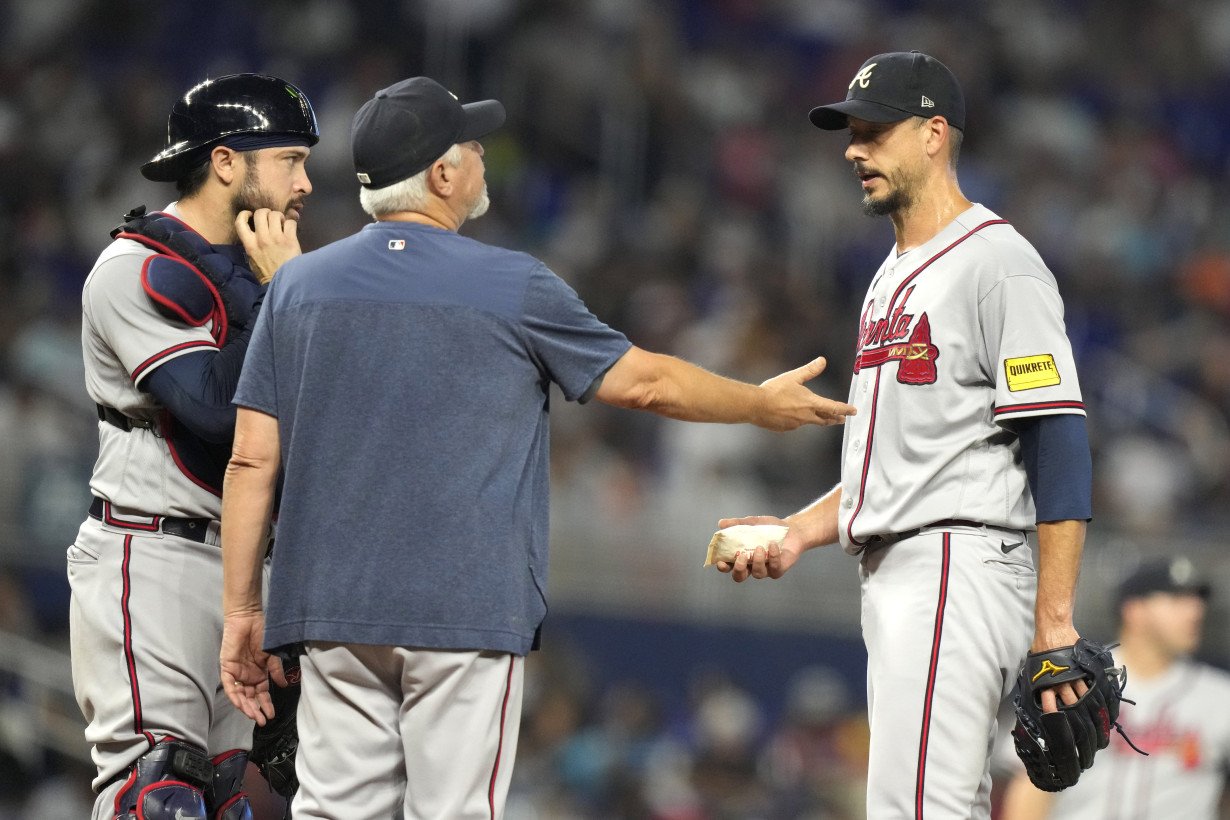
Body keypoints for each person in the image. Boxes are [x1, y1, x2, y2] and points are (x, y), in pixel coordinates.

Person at [217, 75, 856, 820]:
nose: (485, 156)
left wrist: (241, 612)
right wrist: (756, 403)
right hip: (462, 605)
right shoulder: (509, 283)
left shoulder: (297, 286)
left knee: (333, 810)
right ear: (443, 174)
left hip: (327, 606)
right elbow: (645, 385)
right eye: (472, 145)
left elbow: (251, 459)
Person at [715, 51, 1097, 818]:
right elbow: (895, 465)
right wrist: (797, 531)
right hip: (910, 562)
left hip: (955, 562)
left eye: (875, 132)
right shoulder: (893, 273)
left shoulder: (997, 263)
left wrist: (1054, 621)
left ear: (932, 134)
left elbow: (1055, 433)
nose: (855, 149)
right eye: (851, 133)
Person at [69, 73, 317, 820]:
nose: (305, 182)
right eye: (290, 159)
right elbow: (212, 411)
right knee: (160, 797)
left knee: (224, 804)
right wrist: (286, 295)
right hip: (153, 560)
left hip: (247, 576)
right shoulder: (130, 269)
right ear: (225, 161)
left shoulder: (269, 274)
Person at [1000, 556, 1230, 819]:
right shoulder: (1072, 683)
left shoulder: (1221, 697)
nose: (1195, 611)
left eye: (1197, 601)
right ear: (1134, 609)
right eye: (1177, 600)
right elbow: (1032, 786)